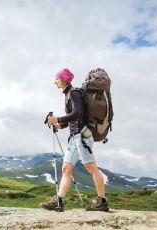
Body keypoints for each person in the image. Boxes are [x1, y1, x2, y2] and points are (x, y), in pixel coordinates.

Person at [40, 68, 109, 212]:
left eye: (57, 79)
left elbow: (77, 114)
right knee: (66, 168)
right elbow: (71, 119)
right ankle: (59, 201)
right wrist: (58, 124)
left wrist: (58, 118)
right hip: (74, 137)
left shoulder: (74, 93)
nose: (55, 82)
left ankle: (102, 201)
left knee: (91, 167)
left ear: (64, 79)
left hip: (82, 137)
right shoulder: (68, 95)